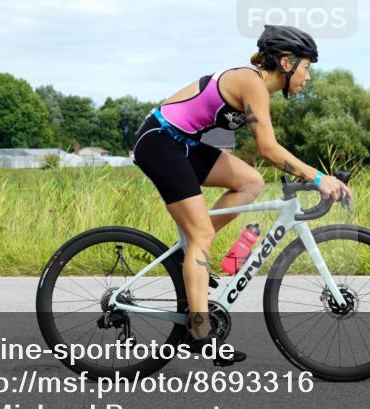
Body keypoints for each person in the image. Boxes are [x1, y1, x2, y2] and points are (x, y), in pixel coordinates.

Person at [131, 25, 353, 365]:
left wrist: (312, 175)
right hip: (160, 142)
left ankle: (194, 253)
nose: (308, 77)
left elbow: (267, 150)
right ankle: (200, 334)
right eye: (307, 67)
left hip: (183, 144)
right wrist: (319, 177)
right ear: (286, 62)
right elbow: (268, 149)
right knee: (202, 235)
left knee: (250, 182)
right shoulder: (252, 82)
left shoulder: (257, 87)